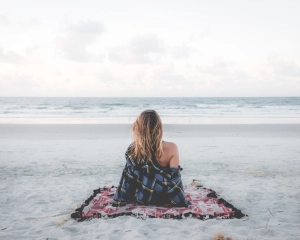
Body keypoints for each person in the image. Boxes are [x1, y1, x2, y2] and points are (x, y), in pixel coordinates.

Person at [112, 110, 190, 207]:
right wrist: (180, 202)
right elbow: (174, 180)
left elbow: (128, 179)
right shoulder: (171, 147)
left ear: (138, 128)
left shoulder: (133, 149)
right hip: (164, 199)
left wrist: (119, 201)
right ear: (159, 128)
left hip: (142, 198)